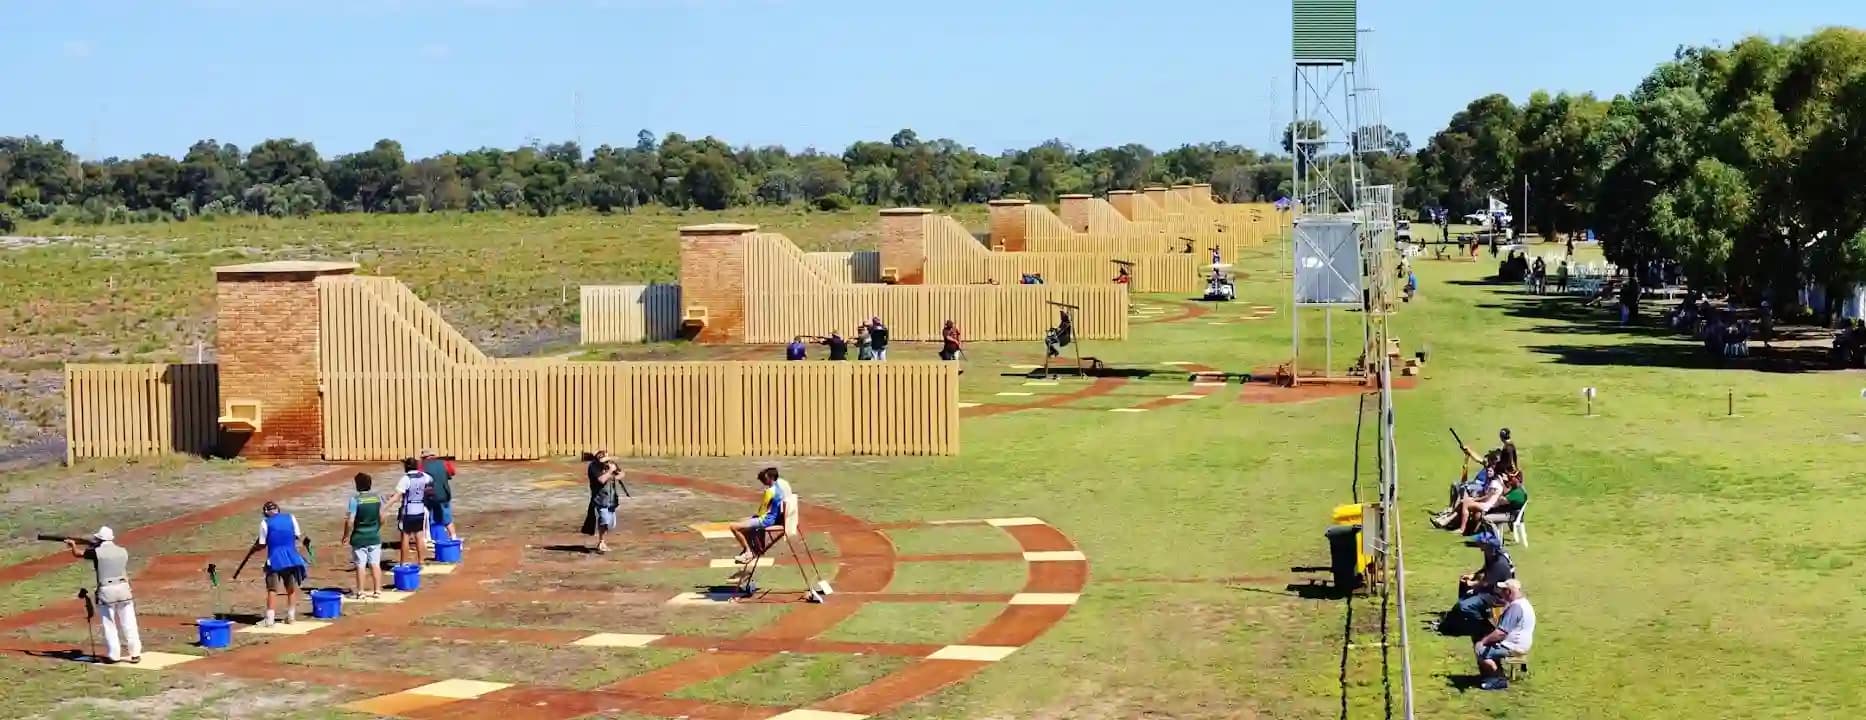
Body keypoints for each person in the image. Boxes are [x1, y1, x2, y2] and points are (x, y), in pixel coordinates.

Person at [65, 527, 140, 663]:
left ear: (99, 539)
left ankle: (114, 654)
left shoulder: (96, 552)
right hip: (124, 588)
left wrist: (73, 545)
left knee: (109, 624)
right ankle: (135, 653)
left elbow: (77, 554)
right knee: (129, 623)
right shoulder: (122, 551)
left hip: (107, 590)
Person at [246, 501, 309, 627]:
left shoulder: (265, 523)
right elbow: (296, 535)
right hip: (292, 558)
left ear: (265, 512)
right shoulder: (290, 517)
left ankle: (270, 620)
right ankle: (291, 617)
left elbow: (262, 544)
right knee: (290, 588)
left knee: (272, 589)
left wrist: (254, 547)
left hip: (275, 560)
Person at [1448, 529, 1515, 635]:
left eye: (1481, 544)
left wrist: (1472, 584)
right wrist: (1473, 575)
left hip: (1498, 594)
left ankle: (1486, 627)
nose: (1479, 546)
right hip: (1491, 587)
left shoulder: (1500, 563)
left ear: (1488, 545)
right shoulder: (1491, 553)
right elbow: (1486, 569)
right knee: (1464, 583)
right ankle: (1461, 615)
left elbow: (1487, 582)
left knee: (1464, 606)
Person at [1474, 579, 1536, 690]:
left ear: (1509, 592)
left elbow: (1501, 633)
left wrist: (1483, 642)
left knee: (1480, 650)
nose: (1500, 592)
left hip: (1513, 646)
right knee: (1487, 642)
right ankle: (1496, 674)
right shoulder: (1525, 603)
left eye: (1503, 590)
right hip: (1522, 643)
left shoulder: (1515, 608)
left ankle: (1497, 679)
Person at [728, 468, 791, 564]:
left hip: (765, 520)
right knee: (744, 523)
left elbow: (762, 511)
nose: (765, 480)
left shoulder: (770, 491)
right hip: (771, 518)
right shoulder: (779, 489)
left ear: (772, 477)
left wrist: (754, 517)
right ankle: (751, 548)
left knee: (734, 527)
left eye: (766, 477)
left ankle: (748, 552)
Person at [341, 473, 385, 599]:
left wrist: (346, 535)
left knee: (360, 564)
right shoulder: (377, 498)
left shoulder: (354, 500)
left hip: (359, 537)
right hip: (374, 536)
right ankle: (377, 590)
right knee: (375, 563)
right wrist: (377, 528)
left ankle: (361, 591)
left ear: (357, 485)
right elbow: (382, 517)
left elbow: (350, 521)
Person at [386, 457, 431, 568]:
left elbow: (397, 497)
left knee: (405, 537)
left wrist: (385, 507)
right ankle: (421, 561)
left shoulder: (405, 479)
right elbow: (430, 486)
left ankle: (403, 562)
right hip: (420, 509)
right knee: (419, 536)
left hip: (408, 511)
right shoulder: (424, 476)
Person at [581, 454, 623, 554]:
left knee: (611, 524)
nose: (606, 462)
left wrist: (615, 475)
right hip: (600, 499)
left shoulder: (611, 464)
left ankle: (601, 537)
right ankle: (601, 542)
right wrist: (610, 472)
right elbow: (601, 480)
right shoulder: (593, 467)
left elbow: (622, 474)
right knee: (604, 519)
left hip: (611, 498)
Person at [420, 449, 459, 542]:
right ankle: (453, 537)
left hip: (429, 496)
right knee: (447, 518)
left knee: (429, 518)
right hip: (444, 495)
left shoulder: (421, 465)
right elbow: (452, 473)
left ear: (424, 458)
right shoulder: (445, 463)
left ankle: (430, 539)